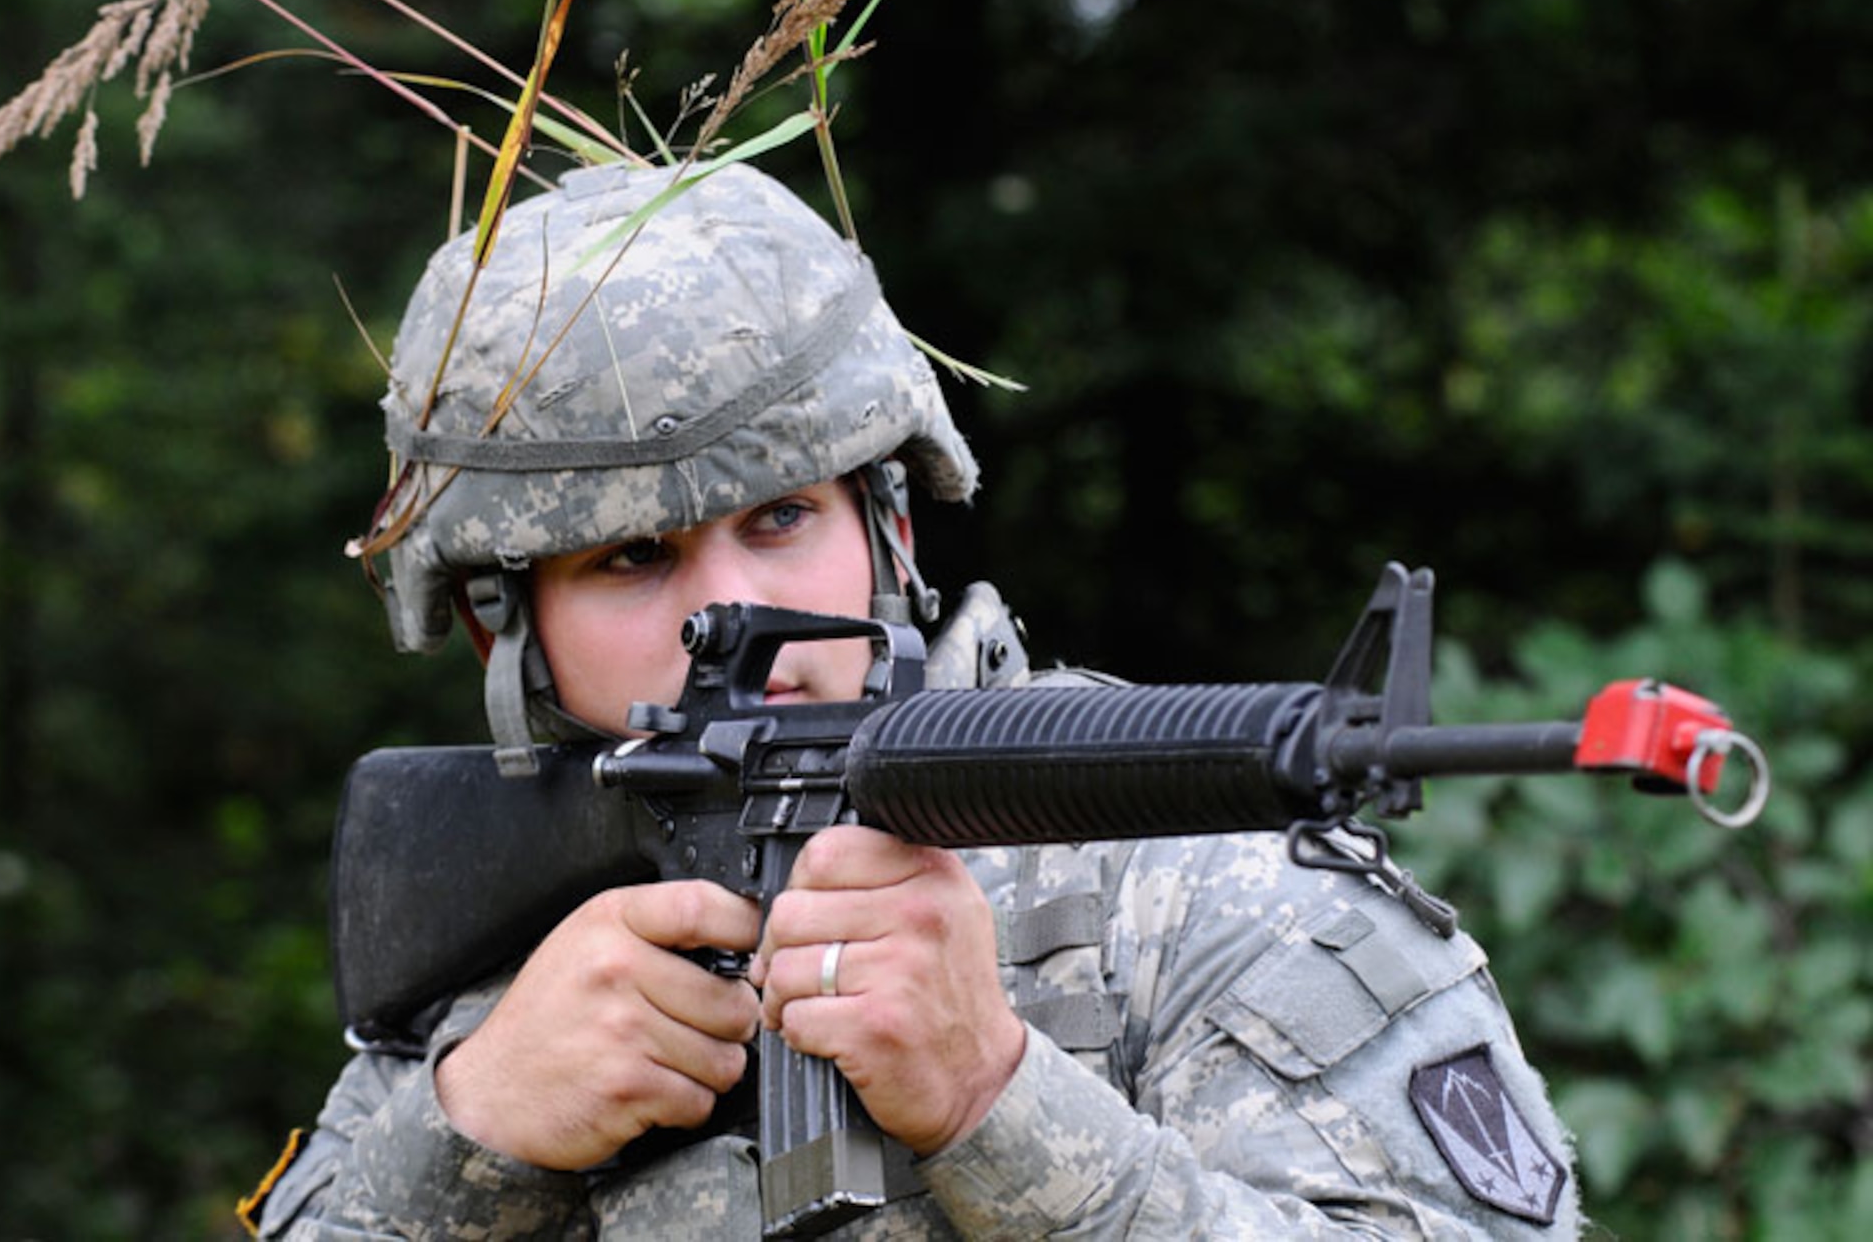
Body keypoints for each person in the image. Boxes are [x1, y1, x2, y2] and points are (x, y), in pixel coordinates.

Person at [241, 160, 1583, 1238]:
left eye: (779, 517)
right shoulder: (499, 981)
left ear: (889, 524)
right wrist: (466, 1148)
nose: (735, 621)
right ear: (511, 630)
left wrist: (997, 1103)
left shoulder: (1193, 890)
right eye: (633, 557)